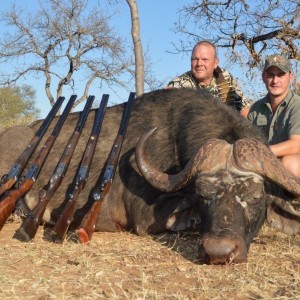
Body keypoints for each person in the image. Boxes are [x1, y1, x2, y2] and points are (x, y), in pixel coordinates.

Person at [167, 40, 252, 117]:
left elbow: (244, 109)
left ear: (215, 63)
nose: (199, 63)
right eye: (195, 59)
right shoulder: (179, 85)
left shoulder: (224, 76)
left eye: (205, 59)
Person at [248, 54, 300, 178]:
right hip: (266, 162)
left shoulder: (297, 105)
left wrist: (261, 152)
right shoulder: (255, 108)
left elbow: (296, 145)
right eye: (271, 75)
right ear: (263, 77)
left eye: (281, 75)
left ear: (290, 77)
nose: (275, 81)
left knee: (290, 163)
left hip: (291, 162)